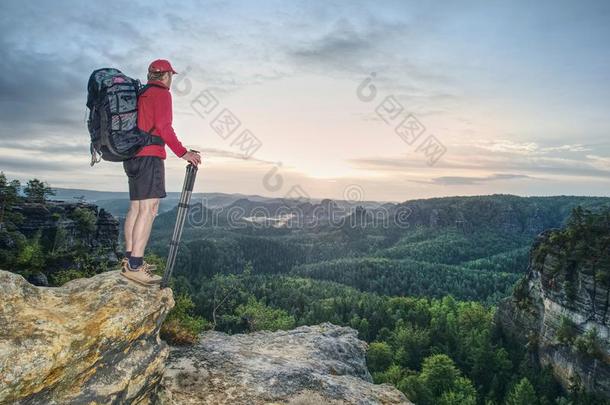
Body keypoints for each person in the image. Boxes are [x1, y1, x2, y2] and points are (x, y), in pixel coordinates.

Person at [121, 59, 201, 285]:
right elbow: (164, 127)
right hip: (150, 156)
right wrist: (183, 153)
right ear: (165, 76)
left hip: (132, 156)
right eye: (171, 76)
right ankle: (135, 265)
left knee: (136, 207)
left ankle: (128, 259)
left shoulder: (141, 93)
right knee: (150, 209)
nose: (171, 80)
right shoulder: (162, 94)